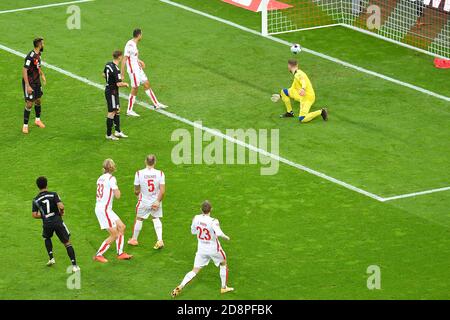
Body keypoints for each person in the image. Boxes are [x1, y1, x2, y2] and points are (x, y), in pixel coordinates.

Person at [171, 201, 233, 298]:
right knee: (223, 263)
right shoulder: (214, 221)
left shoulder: (196, 218)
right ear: (211, 209)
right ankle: (223, 287)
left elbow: (193, 231)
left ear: (201, 209)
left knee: (194, 270)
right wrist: (226, 237)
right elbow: (219, 233)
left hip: (201, 249)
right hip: (213, 249)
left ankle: (181, 285)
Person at [32, 176, 80, 272]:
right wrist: (61, 212)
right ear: (46, 184)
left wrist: (45, 216)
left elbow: (34, 215)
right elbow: (61, 206)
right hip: (57, 221)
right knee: (67, 243)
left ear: (38, 186)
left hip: (47, 223)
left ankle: (51, 258)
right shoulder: (53, 194)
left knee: (47, 237)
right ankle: (74, 266)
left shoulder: (35, 200)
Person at [121, 28, 168, 117]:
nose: (142, 36)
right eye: (141, 34)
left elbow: (133, 57)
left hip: (138, 68)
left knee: (146, 83)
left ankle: (156, 104)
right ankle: (129, 110)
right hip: (133, 70)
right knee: (135, 88)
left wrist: (139, 61)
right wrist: (122, 74)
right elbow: (124, 59)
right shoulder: (130, 45)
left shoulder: (134, 44)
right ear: (139, 35)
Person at [94, 159, 132, 262]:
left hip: (105, 208)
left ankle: (120, 253)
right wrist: (118, 190)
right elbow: (118, 195)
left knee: (121, 226)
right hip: (104, 210)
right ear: (113, 167)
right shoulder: (111, 179)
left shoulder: (100, 178)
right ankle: (98, 254)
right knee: (114, 234)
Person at [128, 154, 166, 250]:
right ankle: (160, 240)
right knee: (156, 218)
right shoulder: (160, 173)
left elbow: (136, 190)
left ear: (145, 161)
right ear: (155, 162)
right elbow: (162, 191)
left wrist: (138, 196)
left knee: (139, 218)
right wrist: (157, 201)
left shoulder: (139, 173)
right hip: (155, 200)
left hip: (144, 200)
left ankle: (134, 239)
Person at [103, 50, 129, 140]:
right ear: (119, 57)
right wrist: (125, 84)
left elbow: (103, 75)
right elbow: (119, 84)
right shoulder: (116, 69)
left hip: (110, 90)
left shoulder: (108, 64)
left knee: (117, 109)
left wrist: (112, 79)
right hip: (112, 92)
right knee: (112, 112)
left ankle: (117, 131)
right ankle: (109, 134)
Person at [22, 38, 47, 134]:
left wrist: (42, 75)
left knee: (38, 100)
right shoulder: (30, 57)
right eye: (43, 43)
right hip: (30, 82)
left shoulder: (38, 55)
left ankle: (37, 120)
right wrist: (28, 86)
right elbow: (24, 70)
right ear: (39, 45)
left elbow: (38, 66)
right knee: (29, 103)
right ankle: (25, 126)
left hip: (37, 81)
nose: (44, 45)